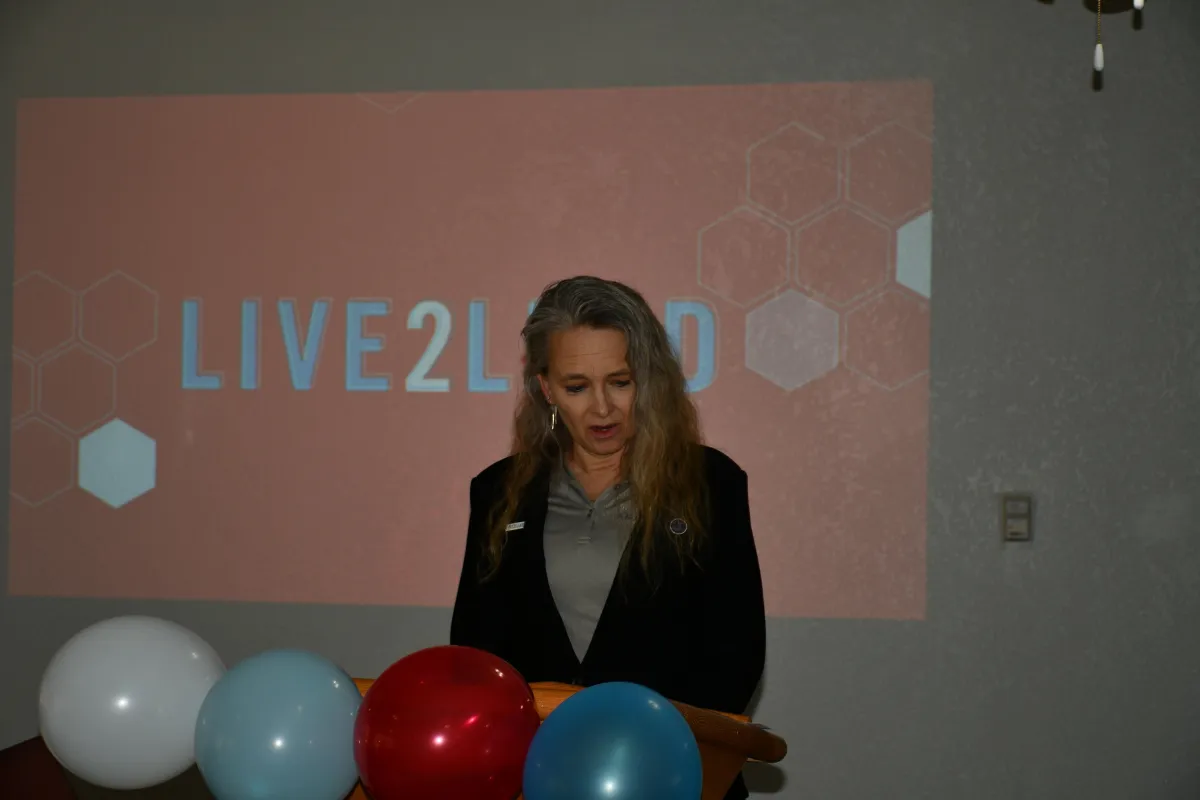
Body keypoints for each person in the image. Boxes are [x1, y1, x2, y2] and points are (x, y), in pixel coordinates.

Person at [450, 275, 766, 800]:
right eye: (576, 387)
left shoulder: (711, 482)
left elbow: (736, 655)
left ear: (648, 380)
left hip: (670, 775)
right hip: (537, 776)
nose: (602, 408)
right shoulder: (497, 491)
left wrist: (644, 749)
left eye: (619, 382)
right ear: (546, 389)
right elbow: (475, 652)